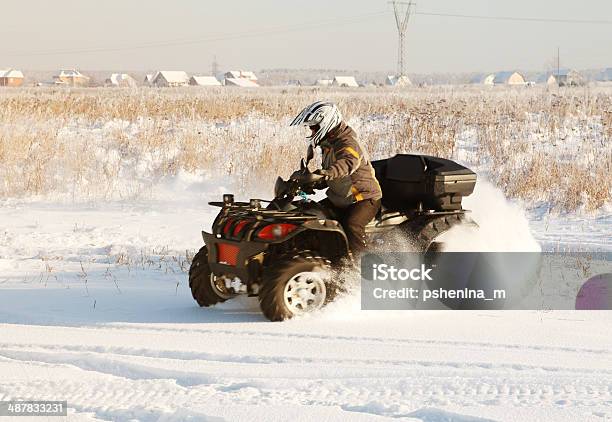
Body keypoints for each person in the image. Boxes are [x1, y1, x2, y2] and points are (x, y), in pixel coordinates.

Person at [290, 101, 382, 254]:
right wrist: (311, 182)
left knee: (352, 225)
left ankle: (360, 267)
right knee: (312, 215)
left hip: (363, 198)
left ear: (326, 123)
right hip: (340, 198)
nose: (312, 131)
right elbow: (331, 175)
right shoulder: (328, 143)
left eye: (314, 127)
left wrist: (326, 173)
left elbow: (347, 163)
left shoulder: (347, 142)